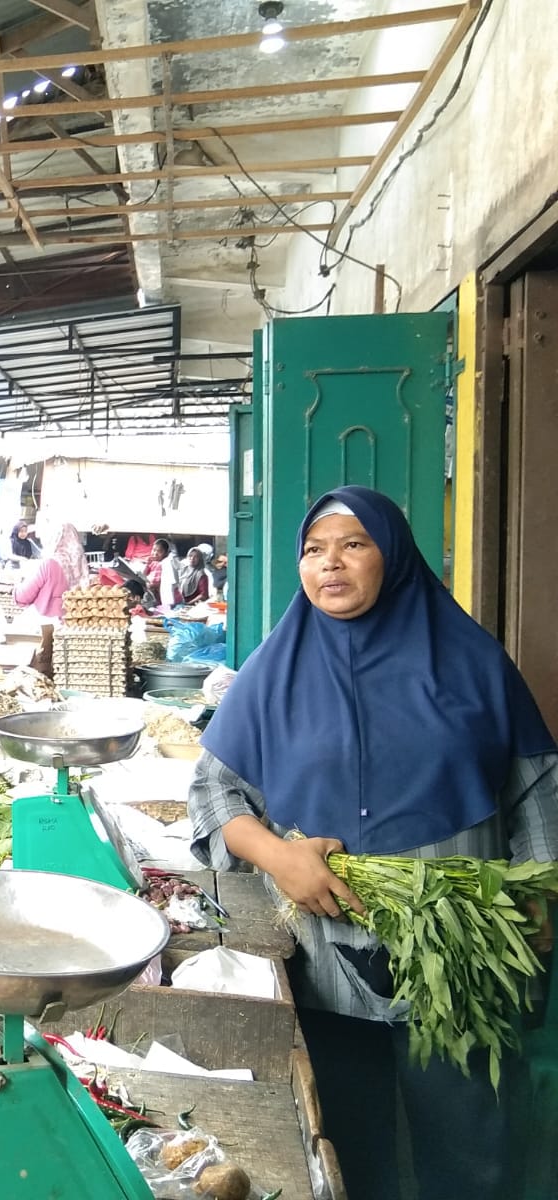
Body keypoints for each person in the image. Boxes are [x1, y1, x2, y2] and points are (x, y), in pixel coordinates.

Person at [188, 486, 558, 1200]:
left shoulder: (472, 661)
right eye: (314, 550)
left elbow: (538, 787)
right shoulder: (276, 666)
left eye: (353, 545)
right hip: (328, 959)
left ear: (393, 557)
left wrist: (543, 891)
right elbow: (213, 792)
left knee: (469, 1143)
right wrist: (277, 856)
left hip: (460, 958)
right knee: (346, 1149)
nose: (331, 565)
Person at [11, 555, 67, 621]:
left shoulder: (49, 564)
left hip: (46, 624)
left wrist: (15, 588)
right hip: (76, 625)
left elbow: (22, 597)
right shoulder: (80, 565)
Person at [145, 538, 177, 603]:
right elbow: (144, 574)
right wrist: (147, 564)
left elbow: (157, 582)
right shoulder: (152, 563)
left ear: (165, 554)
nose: (155, 553)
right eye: (154, 550)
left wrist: (149, 585)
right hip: (149, 588)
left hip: (157, 593)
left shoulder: (163, 564)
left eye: (159, 551)